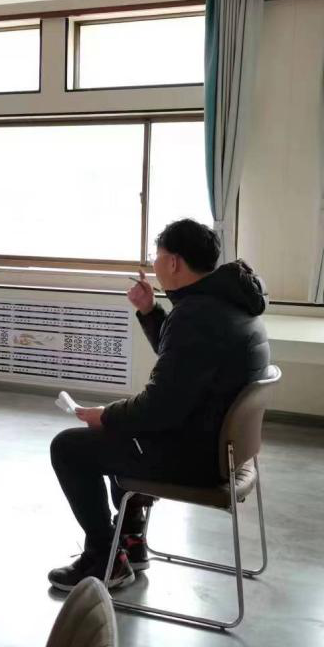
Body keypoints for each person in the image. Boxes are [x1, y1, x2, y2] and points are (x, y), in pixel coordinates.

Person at [47, 218, 271, 591]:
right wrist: (150, 310)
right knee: (125, 429)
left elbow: (161, 408)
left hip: (195, 458)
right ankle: (131, 540)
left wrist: (107, 416)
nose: (154, 264)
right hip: (222, 450)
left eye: (157, 256)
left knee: (69, 448)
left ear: (173, 262)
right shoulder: (230, 303)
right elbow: (184, 366)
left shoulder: (197, 316)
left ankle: (104, 559)